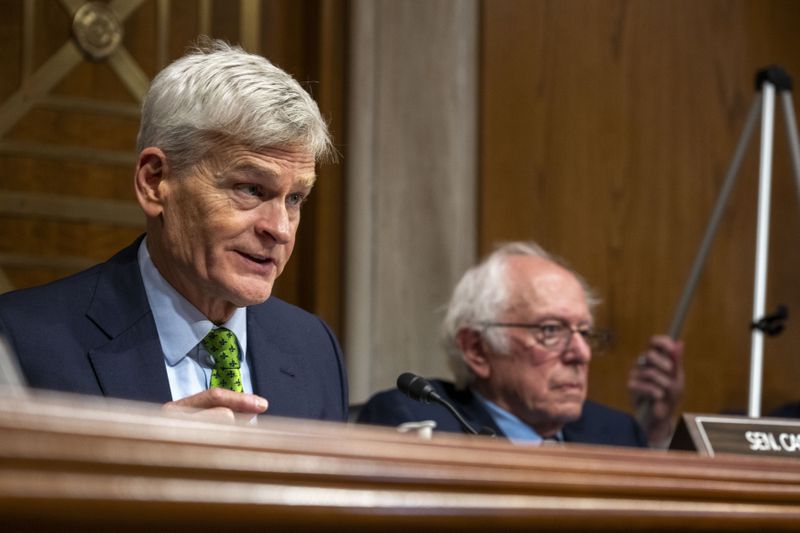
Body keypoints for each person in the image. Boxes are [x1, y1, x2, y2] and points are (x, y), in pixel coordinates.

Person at [0, 39, 348, 423]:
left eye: (295, 198)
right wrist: (146, 462)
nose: (280, 229)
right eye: (251, 189)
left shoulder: (314, 348)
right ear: (155, 181)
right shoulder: (21, 341)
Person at [357, 242, 683, 448]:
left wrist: (656, 431)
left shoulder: (616, 434)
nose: (581, 354)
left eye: (584, 332)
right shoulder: (421, 420)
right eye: (551, 330)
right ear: (477, 349)